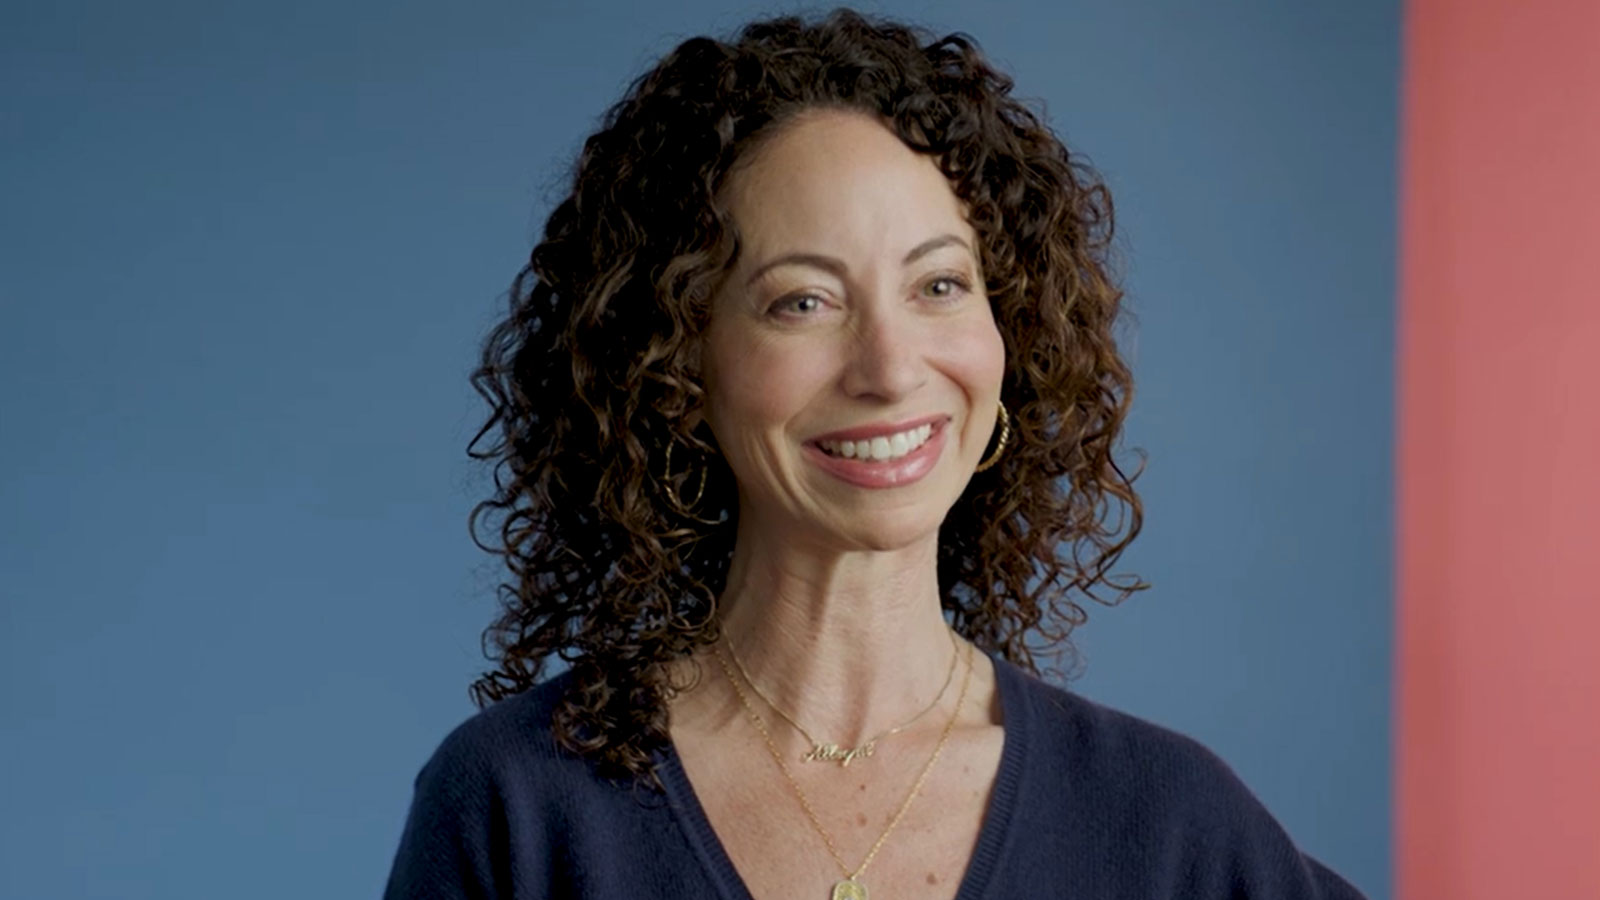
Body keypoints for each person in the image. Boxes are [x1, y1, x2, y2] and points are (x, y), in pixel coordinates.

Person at [384, 8, 1368, 899]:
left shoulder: (1163, 823)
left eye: (938, 285)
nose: (890, 369)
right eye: (802, 301)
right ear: (674, 363)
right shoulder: (516, 807)